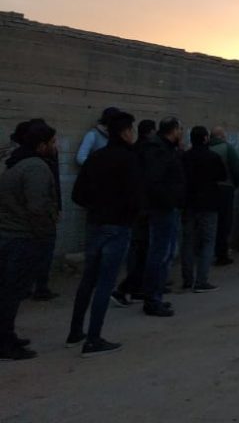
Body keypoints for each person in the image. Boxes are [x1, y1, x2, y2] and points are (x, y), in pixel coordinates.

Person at [66, 111, 142, 356]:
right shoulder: (130, 159)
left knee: (88, 279)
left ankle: (75, 332)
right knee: (105, 283)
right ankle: (93, 339)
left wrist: (97, 206)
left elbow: (77, 195)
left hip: (95, 223)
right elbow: (136, 196)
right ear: (125, 132)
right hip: (118, 226)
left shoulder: (96, 157)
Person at [0, 120, 59, 360]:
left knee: (8, 291)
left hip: (11, 235)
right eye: (52, 142)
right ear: (41, 145)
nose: (55, 146)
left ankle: (7, 335)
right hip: (22, 238)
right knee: (12, 292)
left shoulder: (16, 163)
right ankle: (5, 343)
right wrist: (45, 233)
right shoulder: (35, 167)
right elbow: (37, 208)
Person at [140, 117, 185, 317]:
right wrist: (169, 200)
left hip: (165, 207)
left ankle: (156, 295)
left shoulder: (164, 148)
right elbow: (155, 181)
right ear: (173, 130)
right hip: (162, 209)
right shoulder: (158, 150)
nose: (181, 133)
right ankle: (152, 298)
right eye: (179, 129)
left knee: (164, 254)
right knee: (160, 254)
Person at [112, 119, 156, 307]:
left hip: (133, 209)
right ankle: (128, 288)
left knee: (138, 249)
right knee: (143, 250)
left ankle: (133, 288)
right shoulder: (145, 152)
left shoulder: (134, 150)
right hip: (141, 208)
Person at [180, 126, 225, 292]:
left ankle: (187, 279)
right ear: (206, 138)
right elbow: (222, 175)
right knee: (207, 242)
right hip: (209, 203)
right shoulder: (213, 157)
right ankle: (201, 281)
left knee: (188, 242)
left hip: (189, 203)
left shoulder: (185, 157)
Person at [209, 126, 239, 267]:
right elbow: (236, 168)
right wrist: (235, 184)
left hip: (208, 190)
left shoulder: (205, 147)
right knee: (224, 223)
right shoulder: (227, 148)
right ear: (221, 136)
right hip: (225, 189)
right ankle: (221, 254)